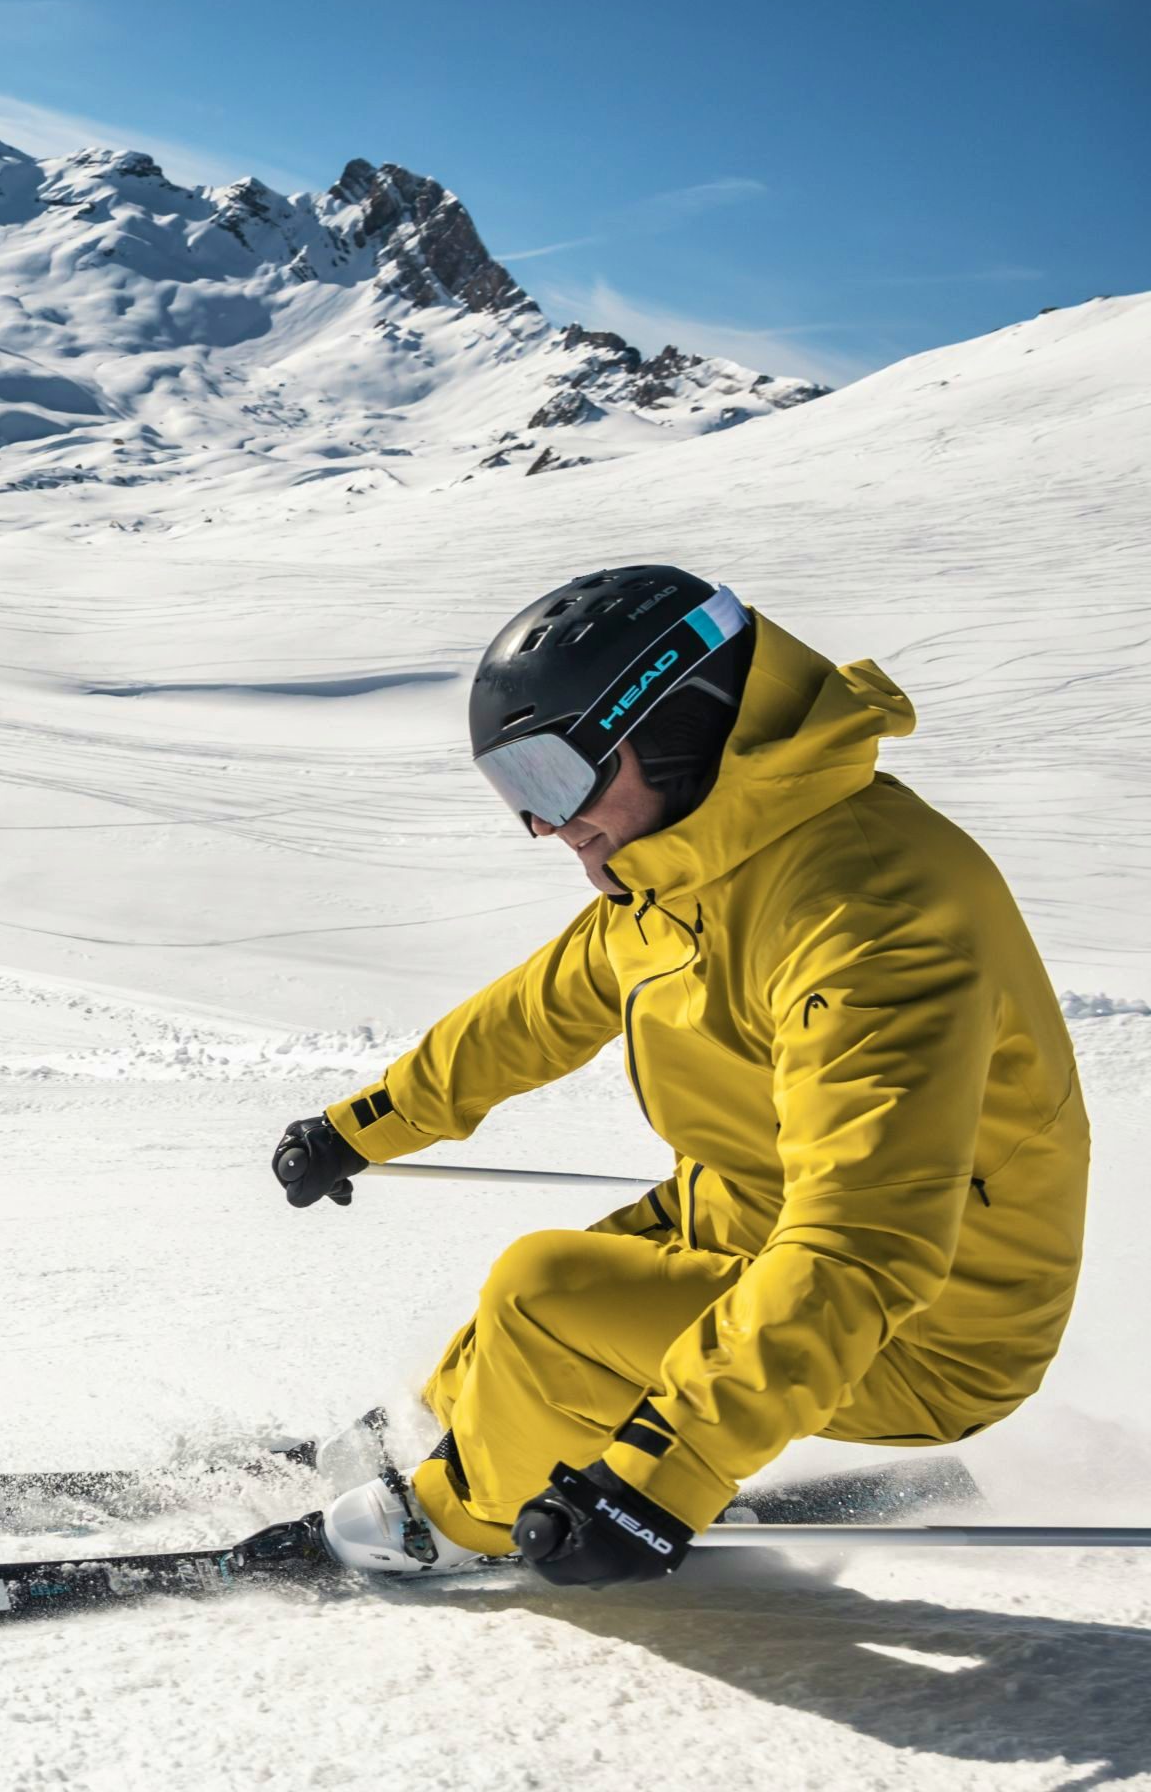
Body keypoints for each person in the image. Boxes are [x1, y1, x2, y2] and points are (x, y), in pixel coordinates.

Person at [273, 565, 1089, 1585]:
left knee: (546, 1297)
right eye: (516, 796)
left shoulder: (868, 917)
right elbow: (535, 1011)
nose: (546, 827)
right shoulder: (689, 871)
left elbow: (861, 1246)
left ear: (671, 724)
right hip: (758, 1225)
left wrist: (674, 1473)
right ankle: (448, 1438)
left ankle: (448, 1518)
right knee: (514, 1315)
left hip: (925, 1325)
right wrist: (363, 1124)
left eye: (553, 779)